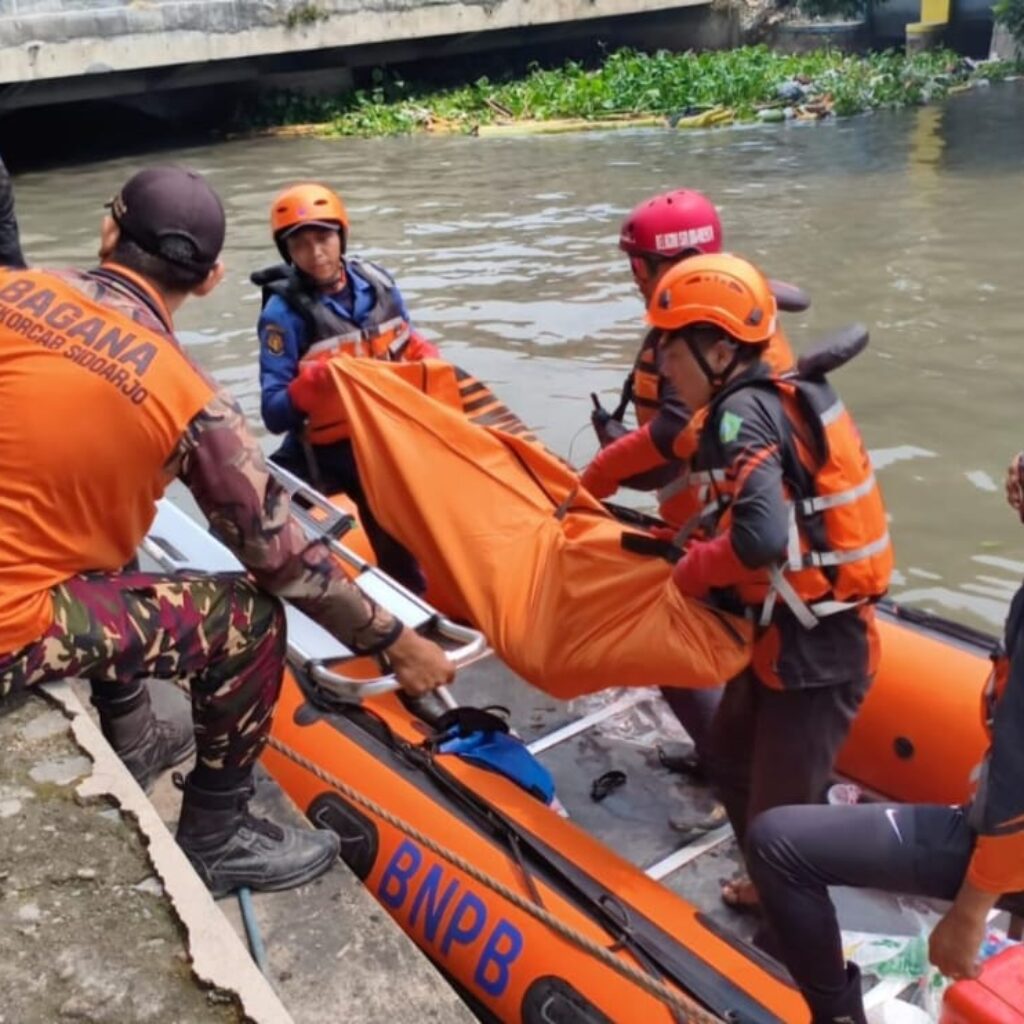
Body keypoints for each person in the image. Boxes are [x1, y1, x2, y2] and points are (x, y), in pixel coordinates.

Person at [0, 165, 453, 898]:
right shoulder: (190, 396)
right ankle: (218, 835)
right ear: (211, 280)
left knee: (115, 536)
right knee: (249, 622)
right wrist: (395, 642)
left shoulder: (10, 290)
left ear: (108, 229)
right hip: (9, 626)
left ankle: (136, 734)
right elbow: (281, 559)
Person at [741, 455, 1024, 1024]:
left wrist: (970, 912)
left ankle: (839, 1017)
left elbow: (1019, 783)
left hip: (1007, 842)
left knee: (777, 843)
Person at [651, 253, 891, 909]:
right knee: (728, 757)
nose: (663, 363)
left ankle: (791, 933)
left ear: (721, 352)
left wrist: (691, 572)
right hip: (784, 638)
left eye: (672, 348)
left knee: (782, 829)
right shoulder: (757, 401)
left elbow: (758, 539)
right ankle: (768, 879)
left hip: (818, 653)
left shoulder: (742, 416)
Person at [581, 191, 805, 791]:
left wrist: (597, 475)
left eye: (638, 266)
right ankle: (732, 759)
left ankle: (725, 768)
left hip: (726, 531)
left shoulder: (701, 343)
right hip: (736, 514)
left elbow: (673, 435)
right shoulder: (735, 319)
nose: (634, 279)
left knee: (663, 644)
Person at [256, 183, 438, 593]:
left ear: (341, 236)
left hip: (380, 439)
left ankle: (411, 603)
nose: (316, 253)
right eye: (300, 244)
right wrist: (312, 385)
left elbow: (406, 343)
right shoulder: (282, 315)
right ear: (288, 252)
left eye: (323, 238)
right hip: (320, 451)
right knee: (252, 506)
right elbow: (273, 412)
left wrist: (425, 355)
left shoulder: (379, 285)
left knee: (400, 556)